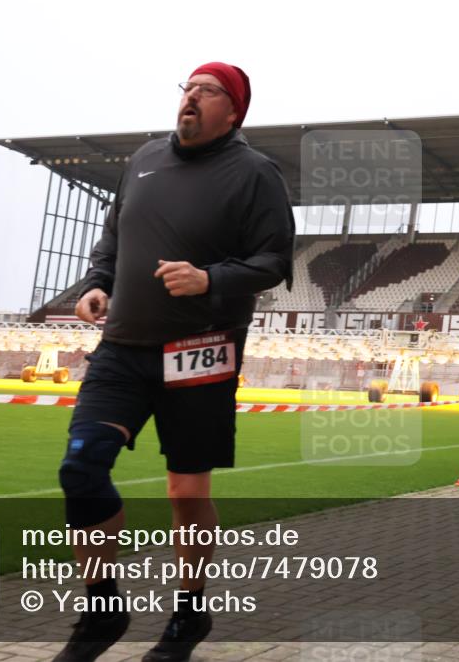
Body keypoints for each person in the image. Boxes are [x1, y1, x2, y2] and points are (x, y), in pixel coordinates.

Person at [54, 62, 294, 662]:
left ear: (233, 110)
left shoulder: (256, 174)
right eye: (186, 88)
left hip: (200, 354)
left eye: (206, 91)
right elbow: (113, 240)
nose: (190, 98)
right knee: (81, 470)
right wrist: (95, 282)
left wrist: (209, 279)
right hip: (123, 346)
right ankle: (101, 610)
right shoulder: (141, 161)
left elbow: (274, 261)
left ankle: (189, 615)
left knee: (186, 490)